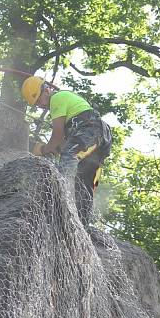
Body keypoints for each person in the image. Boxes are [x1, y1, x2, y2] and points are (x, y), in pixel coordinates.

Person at [21, 76, 112, 227]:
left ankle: (61, 197)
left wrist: (43, 149)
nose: (40, 105)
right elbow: (62, 144)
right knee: (84, 180)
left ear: (46, 89)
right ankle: (81, 222)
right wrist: (54, 149)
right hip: (98, 136)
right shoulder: (65, 102)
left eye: (39, 99)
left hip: (91, 130)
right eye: (36, 104)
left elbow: (57, 136)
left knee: (69, 156)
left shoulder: (57, 98)